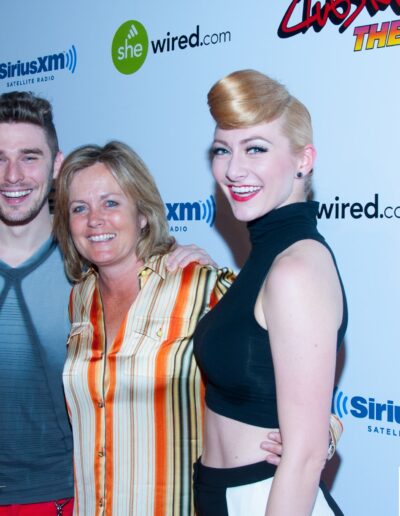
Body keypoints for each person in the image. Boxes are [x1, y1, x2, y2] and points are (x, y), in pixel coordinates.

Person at [0, 91, 220, 516]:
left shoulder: (90, 273)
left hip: (65, 497)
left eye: (29, 157)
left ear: (55, 165)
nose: (13, 175)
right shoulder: (87, 285)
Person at [193, 70, 348, 515]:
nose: (233, 169)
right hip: (228, 494)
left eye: (256, 148)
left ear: (303, 160)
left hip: (265, 498)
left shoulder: (296, 269)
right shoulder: (267, 257)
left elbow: (304, 458)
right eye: (223, 149)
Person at [52, 141, 235, 515]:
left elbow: (285, 380)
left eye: (111, 203)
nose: (94, 219)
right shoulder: (80, 298)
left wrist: (311, 441)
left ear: (142, 215)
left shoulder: (199, 287)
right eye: (79, 208)